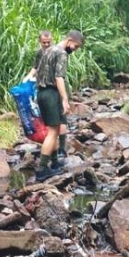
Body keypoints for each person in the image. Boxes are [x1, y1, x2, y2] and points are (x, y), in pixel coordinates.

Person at [33, 30, 84, 181]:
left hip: (41, 93)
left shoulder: (49, 50)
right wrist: (64, 99)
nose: (74, 50)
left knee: (52, 129)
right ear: (69, 40)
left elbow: (38, 72)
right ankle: (42, 169)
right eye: (75, 46)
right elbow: (59, 78)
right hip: (51, 94)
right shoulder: (61, 53)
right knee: (53, 132)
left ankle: (54, 164)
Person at [22, 30, 68, 158]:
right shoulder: (39, 52)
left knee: (60, 120)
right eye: (44, 43)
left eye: (49, 42)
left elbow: (59, 75)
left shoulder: (56, 51)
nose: (46, 44)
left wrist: (64, 96)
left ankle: (61, 149)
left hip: (56, 87)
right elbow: (35, 67)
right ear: (39, 41)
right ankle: (52, 157)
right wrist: (29, 76)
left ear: (52, 40)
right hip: (45, 89)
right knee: (53, 125)